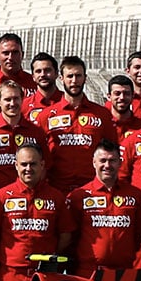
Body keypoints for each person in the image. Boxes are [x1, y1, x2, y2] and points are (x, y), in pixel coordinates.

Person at [0, 141, 72, 281]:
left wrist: (51, 254)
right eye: (24, 164)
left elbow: (66, 235)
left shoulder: (56, 197)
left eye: (33, 164)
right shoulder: (2, 196)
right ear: (16, 165)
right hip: (12, 276)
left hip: (46, 275)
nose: (28, 169)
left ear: (42, 165)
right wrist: (8, 256)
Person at [67, 140, 141, 279]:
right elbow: (71, 238)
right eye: (102, 160)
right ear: (94, 162)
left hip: (124, 273)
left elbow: (139, 233)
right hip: (88, 273)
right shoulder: (79, 196)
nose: (107, 165)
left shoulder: (135, 195)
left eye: (112, 161)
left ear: (120, 162)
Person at [39, 56, 116, 192]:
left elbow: (112, 151)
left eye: (78, 76)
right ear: (61, 78)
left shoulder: (101, 114)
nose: (74, 81)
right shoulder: (46, 116)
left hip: (93, 190)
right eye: (70, 76)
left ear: (85, 78)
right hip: (57, 188)